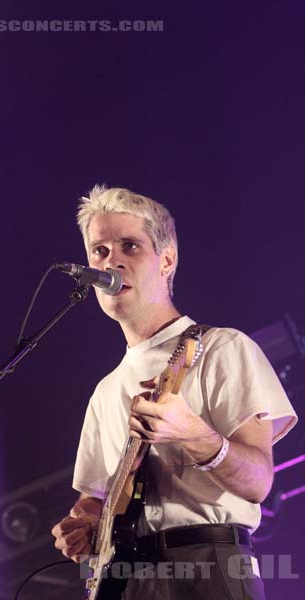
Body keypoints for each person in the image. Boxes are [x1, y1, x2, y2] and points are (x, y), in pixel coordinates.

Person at [51, 185, 297, 599]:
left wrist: (194, 434)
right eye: (100, 251)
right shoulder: (105, 392)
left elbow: (258, 482)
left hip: (210, 564)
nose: (112, 261)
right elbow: (92, 502)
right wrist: (81, 525)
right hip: (125, 578)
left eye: (130, 246)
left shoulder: (222, 348)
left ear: (167, 260)